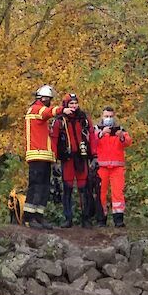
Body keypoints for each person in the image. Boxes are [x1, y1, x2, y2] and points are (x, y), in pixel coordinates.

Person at [23, 85, 73, 228]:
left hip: (44, 156)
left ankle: (39, 217)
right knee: (36, 186)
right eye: (49, 99)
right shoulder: (36, 109)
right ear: (43, 98)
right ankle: (30, 218)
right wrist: (63, 110)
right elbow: (48, 112)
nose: (49, 101)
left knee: (44, 187)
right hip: (37, 155)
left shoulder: (38, 111)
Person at [53, 92, 98, 227]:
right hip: (67, 159)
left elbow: (92, 136)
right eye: (71, 103)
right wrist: (54, 160)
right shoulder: (60, 121)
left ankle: (86, 219)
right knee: (67, 188)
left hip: (82, 157)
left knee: (83, 188)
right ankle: (68, 218)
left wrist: (94, 156)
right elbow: (54, 140)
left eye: (75, 103)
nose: (73, 106)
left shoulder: (83, 119)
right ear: (66, 105)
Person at [94, 107, 133, 227]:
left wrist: (121, 136)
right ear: (102, 116)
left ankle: (118, 220)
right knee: (101, 193)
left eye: (110, 116)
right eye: (106, 116)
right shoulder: (96, 129)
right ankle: (101, 219)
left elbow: (128, 142)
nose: (108, 119)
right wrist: (101, 134)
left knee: (118, 193)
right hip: (101, 166)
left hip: (117, 167)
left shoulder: (120, 129)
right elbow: (91, 141)